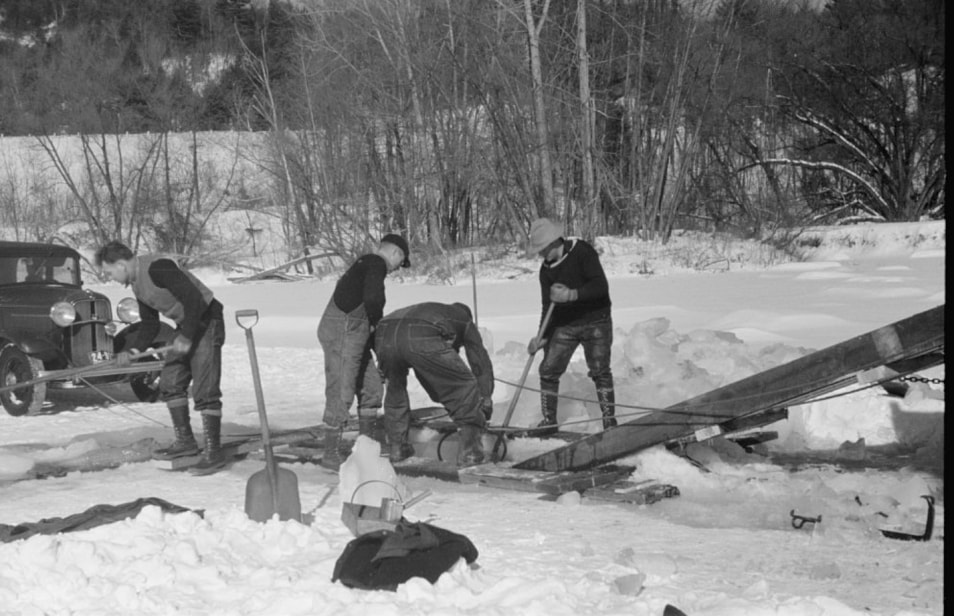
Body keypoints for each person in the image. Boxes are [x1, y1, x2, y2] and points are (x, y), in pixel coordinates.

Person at [94, 241, 227, 473]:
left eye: (109, 272)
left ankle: (213, 452)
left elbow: (194, 300)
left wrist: (186, 336)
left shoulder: (158, 267)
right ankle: (185, 442)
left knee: (205, 390)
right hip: (187, 325)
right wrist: (133, 352)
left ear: (121, 264)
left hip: (207, 320)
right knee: (170, 382)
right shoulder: (137, 284)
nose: (110, 277)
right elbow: (150, 324)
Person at [317, 234, 410, 470]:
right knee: (342, 389)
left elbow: (366, 312)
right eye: (400, 262)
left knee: (371, 387)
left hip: (354, 334)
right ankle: (330, 453)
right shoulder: (375, 263)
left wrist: (375, 345)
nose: (397, 268)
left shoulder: (366, 266)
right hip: (342, 332)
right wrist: (377, 322)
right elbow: (372, 298)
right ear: (395, 253)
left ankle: (366, 447)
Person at [525, 218, 616, 434]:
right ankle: (549, 421)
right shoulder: (546, 271)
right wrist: (542, 336)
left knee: (600, 370)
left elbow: (600, 286)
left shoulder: (582, 252)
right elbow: (547, 305)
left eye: (542, 249)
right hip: (565, 325)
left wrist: (572, 295)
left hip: (596, 320)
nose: (540, 254)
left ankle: (609, 421)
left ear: (554, 242)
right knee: (548, 370)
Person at [374, 302, 493, 467]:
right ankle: (471, 453)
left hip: (384, 333)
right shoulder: (464, 320)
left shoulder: (438, 313)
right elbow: (479, 361)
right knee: (465, 385)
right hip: (419, 332)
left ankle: (397, 449)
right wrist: (485, 396)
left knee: (395, 391)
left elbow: (429, 371)